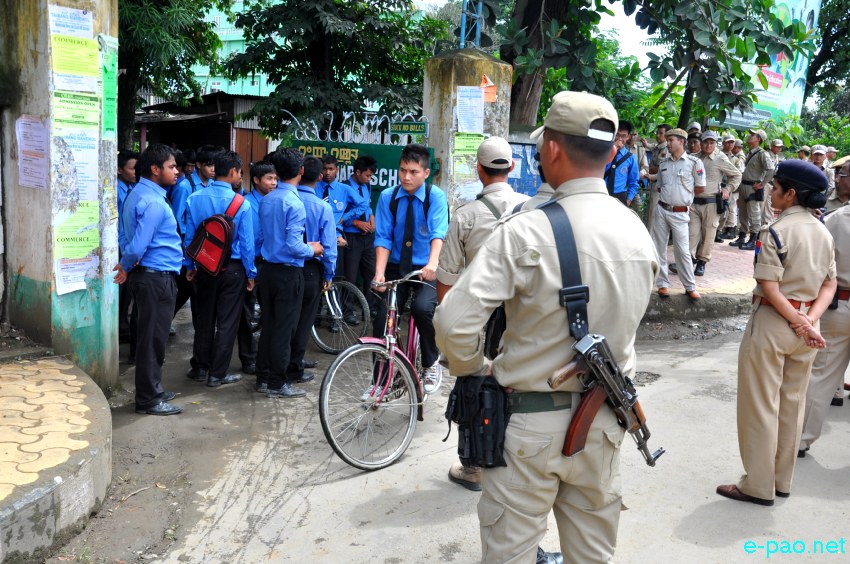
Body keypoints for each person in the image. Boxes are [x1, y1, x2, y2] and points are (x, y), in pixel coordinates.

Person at [435, 90, 657, 563]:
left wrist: (476, 366)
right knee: (593, 554)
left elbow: (453, 323)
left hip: (527, 428)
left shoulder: (526, 229)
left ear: (552, 150)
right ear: (612, 151)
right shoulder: (637, 229)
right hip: (604, 422)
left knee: (510, 553)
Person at [717, 160, 835, 506]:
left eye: (777, 186)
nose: (771, 191)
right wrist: (809, 320)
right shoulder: (822, 231)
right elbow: (829, 284)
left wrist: (798, 321)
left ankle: (757, 484)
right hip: (808, 328)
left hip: (774, 324)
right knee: (792, 405)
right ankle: (782, 480)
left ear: (791, 193)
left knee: (760, 406)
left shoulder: (776, 231)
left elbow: (769, 287)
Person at [436, 136, 528, 491]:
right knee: (516, 383)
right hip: (520, 315)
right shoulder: (530, 209)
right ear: (513, 167)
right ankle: (515, 462)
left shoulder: (466, 215)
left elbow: (446, 279)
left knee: (472, 383)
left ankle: (473, 466)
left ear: (479, 170)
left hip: (478, 315)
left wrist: (449, 325)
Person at [373, 144, 448, 394]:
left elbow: (438, 232)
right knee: (383, 316)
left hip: (427, 267)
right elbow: (383, 237)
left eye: (414, 171)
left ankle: (430, 361)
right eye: (403, 170)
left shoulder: (435, 196)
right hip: (396, 266)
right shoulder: (388, 197)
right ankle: (379, 379)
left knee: (422, 308)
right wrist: (379, 274)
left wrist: (433, 263)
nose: (406, 177)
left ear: (426, 173)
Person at [114, 143, 183, 416]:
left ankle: (152, 390)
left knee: (149, 338)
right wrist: (127, 265)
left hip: (150, 277)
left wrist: (130, 263)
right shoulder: (153, 201)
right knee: (152, 340)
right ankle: (149, 399)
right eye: (171, 166)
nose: (176, 171)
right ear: (156, 169)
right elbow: (136, 245)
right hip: (155, 279)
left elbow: (123, 236)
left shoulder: (135, 193)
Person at [184, 151, 256, 388]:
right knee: (227, 321)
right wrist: (251, 273)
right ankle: (217, 374)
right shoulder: (241, 204)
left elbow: (190, 238)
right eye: (239, 173)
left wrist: (190, 265)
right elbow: (247, 244)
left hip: (204, 265)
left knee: (204, 318)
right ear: (234, 172)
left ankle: (200, 367)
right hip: (232, 269)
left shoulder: (195, 198)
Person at [256, 148, 324, 398]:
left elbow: (261, 237)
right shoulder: (293, 202)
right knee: (284, 330)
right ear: (301, 171)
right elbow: (295, 246)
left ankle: (263, 378)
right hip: (288, 273)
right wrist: (314, 249)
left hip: (268, 270)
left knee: (269, 325)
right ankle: (277, 382)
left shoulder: (267, 199)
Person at [798, 199, 850, 458]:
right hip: (839, 301)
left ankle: (800, 440)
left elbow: (818, 264)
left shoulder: (838, 219)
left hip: (840, 303)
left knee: (821, 375)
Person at [288, 157, 337, 384]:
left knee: (287, 319)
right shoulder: (322, 207)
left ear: (300, 172)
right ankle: (294, 367)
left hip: (286, 266)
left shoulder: (285, 199)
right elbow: (328, 247)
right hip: (311, 270)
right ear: (319, 177)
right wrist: (328, 274)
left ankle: (285, 362)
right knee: (305, 319)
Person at [645, 128, 705, 300]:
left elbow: (700, 187)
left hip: (680, 213)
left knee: (683, 250)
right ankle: (662, 284)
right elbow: (660, 186)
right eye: (668, 139)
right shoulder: (664, 164)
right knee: (659, 247)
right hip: (662, 209)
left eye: (671, 140)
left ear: (681, 142)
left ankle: (690, 286)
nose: (668, 143)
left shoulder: (694, 163)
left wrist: (684, 197)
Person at [679, 131, 741, 277]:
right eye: (706, 142)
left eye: (712, 143)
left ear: (716, 144)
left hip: (712, 203)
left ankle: (702, 262)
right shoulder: (695, 158)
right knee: (691, 234)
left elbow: (737, 174)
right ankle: (688, 261)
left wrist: (728, 189)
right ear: (701, 142)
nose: (708, 145)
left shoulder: (720, 158)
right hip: (694, 203)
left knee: (708, 234)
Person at [236, 160, 278, 376]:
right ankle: (248, 357)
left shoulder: (275, 201)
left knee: (271, 312)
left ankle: (270, 356)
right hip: (252, 264)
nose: (274, 183)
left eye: (275, 178)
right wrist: (250, 270)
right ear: (256, 180)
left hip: (271, 264)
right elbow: (247, 241)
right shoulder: (247, 203)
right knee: (246, 312)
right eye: (269, 178)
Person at [343, 155, 380, 319]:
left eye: (370, 176)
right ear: (357, 172)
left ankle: (369, 309)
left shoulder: (367, 186)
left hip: (367, 238)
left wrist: (371, 217)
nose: (369, 178)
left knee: (371, 273)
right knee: (349, 275)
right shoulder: (343, 188)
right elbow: (339, 215)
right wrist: (357, 223)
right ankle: (348, 311)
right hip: (351, 237)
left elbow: (368, 204)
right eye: (367, 175)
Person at [730, 129, 775, 251]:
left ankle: (754, 239)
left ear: (759, 139)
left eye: (753, 135)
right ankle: (742, 236)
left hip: (753, 188)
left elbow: (771, 170)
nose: (750, 136)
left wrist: (762, 184)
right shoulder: (750, 153)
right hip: (744, 186)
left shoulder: (762, 154)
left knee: (754, 213)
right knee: (743, 213)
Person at [318, 155, 359, 274]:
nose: (327, 173)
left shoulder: (344, 189)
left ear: (337, 169)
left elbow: (363, 204)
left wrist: (346, 217)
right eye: (324, 169)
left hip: (336, 238)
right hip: (316, 238)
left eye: (331, 169)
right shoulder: (314, 187)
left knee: (337, 277)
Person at [117, 149, 139, 344]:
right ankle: (120, 326)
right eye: (132, 168)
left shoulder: (132, 189)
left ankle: (123, 324)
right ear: (118, 169)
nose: (135, 172)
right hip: (119, 246)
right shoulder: (117, 190)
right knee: (121, 289)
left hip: (127, 246)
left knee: (127, 291)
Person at [603, 121, 640, 206]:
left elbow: (634, 182)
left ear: (628, 137)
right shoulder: (604, 152)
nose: (620, 139)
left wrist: (628, 200)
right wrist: (613, 149)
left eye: (623, 136)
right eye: (617, 135)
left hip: (619, 196)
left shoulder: (631, 158)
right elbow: (599, 170)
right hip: (602, 192)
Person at [644, 123, 672, 232]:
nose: (657, 135)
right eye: (657, 132)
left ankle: (651, 239)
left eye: (661, 133)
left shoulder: (666, 150)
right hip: (653, 182)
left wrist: (647, 171)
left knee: (653, 214)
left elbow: (661, 167)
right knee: (650, 211)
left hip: (659, 184)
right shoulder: (658, 147)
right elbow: (652, 148)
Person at [718, 135, 745, 239]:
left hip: (730, 187)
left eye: (732, 143)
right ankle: (718, 230)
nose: (730, 145)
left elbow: (739, 173)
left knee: (731, 208)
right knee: (718, 209)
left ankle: (730, 230)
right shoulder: (718, 155)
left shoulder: (736, 159)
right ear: (723, 143)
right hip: (717, 185)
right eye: (728, 142)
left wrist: (733, 186)